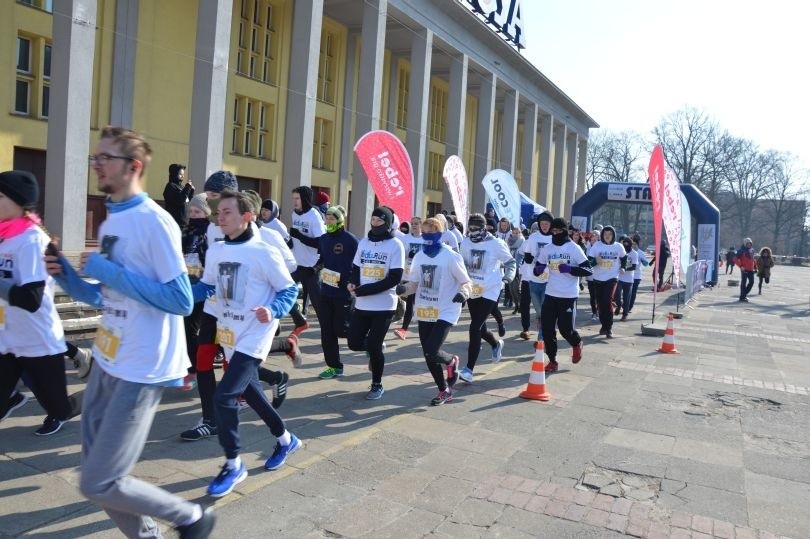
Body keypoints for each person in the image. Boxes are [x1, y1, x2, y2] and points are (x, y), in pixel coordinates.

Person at [46, 127, 215, 537]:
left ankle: (191, 517)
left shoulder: (154, 222)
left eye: (105, 157)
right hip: (108, 357)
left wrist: (109, 272)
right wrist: (66, 276)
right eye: (96, 157)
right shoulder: (112, 220)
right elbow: (105, 297)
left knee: (98, 480)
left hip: (142, 364)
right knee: (98, 477)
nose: (97, 164)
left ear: (133, 166)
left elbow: (178, 300)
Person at [191, 191, 299, 499]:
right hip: (229, 332)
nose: (219, 216)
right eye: (219, 212)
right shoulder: (216, 250)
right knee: (250, 392)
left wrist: (274, 310)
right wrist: (175, 294)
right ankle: (285, 439)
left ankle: (233, 463)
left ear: (247, 217)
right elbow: (206, 288)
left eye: (226, 212)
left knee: (224, 396)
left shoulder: (264, 251)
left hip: (256, 332)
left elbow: (288, 291)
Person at [0, 170, 73, 436]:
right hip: (6, 335)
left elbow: (31, 299)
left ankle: (64, 412)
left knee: (57, 405)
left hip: (37, 339)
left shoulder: (31, 240)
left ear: (19, 202)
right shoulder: (5, 235)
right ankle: (13, 399)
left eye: (0, 196)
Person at [398, 217, 470, 405]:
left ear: (440, 234)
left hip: (446, 309)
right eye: (425, 233)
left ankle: (451, 361)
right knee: (428, 354)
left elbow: (466, 282)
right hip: (424, 309)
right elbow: (414, 284)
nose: (427, 236)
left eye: (432, 232)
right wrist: (403, 289)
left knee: (432, 349)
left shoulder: (451, 256)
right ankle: (444, 390)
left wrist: (463, 293)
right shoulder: (420, 256)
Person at [347, 207, 405, 400]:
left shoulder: (396, 245)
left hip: (384, 306)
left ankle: (376, 384)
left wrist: (366, 290)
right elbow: (356, 267)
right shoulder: (364, 242)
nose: (375, 223)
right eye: (372, 220)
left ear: (387, 223)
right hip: (363, 304)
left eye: (379, 221)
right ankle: (376, 348)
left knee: (373, 344)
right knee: (354, 343)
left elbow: (394, 278)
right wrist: (352, 283)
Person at [458, 213, 516, 383]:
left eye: (476, 228)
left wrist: (508, 278)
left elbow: (511, 262)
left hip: (491, 289)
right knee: (481, 328)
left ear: (484, 228)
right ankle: (496, 344)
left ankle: (468, 370)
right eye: (470, 228)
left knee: (474, 327)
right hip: (473, 289)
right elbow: (462, 263)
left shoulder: (496, 244)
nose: (473, 231)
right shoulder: (466, 242)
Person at [533, 218, 592, 373]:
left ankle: (577, 343)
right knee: (547, 330)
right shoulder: (547, 249)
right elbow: (538, 267)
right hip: (551, 294)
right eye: (553, 231)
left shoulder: (573, 248)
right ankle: (552, 361)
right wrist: (538, 270)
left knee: (565, 330)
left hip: (568, 295)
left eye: (559, 231)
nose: (556, 234)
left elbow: (588, 270)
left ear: (565, 232)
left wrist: (570, 269)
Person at [311, 206, 358, 379]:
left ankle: (369, 342)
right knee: (326, 331)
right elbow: (322, 260)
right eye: (327, 218)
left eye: (332, 218)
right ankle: (334, 366)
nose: (328, 221)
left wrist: (353, 282)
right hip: (326, 292)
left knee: (341, 329)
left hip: (343, 293)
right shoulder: (324, 239)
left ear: (340, 220)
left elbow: (359, 265)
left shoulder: (351, 240)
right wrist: (315, 268)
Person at [178, 193, 211, 391]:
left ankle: (196, 368)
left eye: (197, 211)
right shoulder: (186, 232)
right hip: (185, 286)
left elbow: (210, 262)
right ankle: (193, 366)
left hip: (202, 288)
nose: (193, 215)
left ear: (206, 213)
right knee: (187, 328)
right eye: (191, 211)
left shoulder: (209, 233)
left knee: (192, 329)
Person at [288, 186, 326, 335]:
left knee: (318, 304)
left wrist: (299, 236)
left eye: (297, 198)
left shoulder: (314, 216)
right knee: (282, 290)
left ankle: (327, 330)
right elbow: (294, 240)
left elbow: (320, 243)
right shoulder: (294, 214)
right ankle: (300, 321)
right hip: (297, 265)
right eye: (293, 198)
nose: (295, 202)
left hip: (311, 268)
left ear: (304, 199)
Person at [517, 212, 553, 341]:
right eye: (542, 224)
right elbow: (525, 255)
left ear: (551, 225)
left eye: (546, 224)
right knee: (531, 305)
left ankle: (541, 337)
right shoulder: (533, 238)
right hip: (532, 277)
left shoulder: (554, 238)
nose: (544, 226)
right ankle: (527, 327)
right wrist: (529, 258)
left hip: (548, 279)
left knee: (544, 309)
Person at [587, 226, 626, 338]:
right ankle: (604, 326)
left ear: (613, 235)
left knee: (607, 301)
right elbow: (589, 262)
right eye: (605, 234)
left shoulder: (618, 246)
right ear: (602, 235)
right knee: (600, 303)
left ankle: (608, 328)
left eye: (610, 234)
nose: (607, 236)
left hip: (612, 278)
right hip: (598, 279)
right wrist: (595, 261)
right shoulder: (597, 246)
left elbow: (624, 258)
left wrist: (623, 267)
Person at [394, 216, 424, 340]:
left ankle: (404, 329)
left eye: (417, 223)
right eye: (412, 223)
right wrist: (408, 254)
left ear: (421, 225)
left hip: (418, 276)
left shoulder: (424, 239)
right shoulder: (406, 239)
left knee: (411, 302)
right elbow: (400, 254)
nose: (414, 225)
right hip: (405, 274)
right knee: (403, 299)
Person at [162, 163, 194, 228]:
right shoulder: (170, 186)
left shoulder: (181, 186)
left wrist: (191, 191)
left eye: (183, 174)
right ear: (174, 174)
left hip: (184, 223)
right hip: (175, 224)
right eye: (180, 174)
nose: (182, 176)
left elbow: (186, 200)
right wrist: (187, 187)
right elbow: (180, 200)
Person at [615, 236, 638, 321]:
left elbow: (634, 267)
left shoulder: (634, 254)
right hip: (619, 278)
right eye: (624, 244)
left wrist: (624, 268)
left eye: (627, 245)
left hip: (629, 279)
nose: (626, 246)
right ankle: (618, 305)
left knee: (626, 297)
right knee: (616, 295)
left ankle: (625, 314)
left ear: (631, 245)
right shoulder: (620, 252)